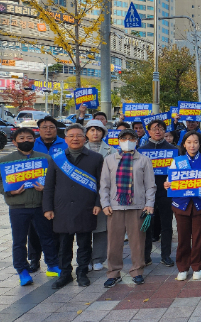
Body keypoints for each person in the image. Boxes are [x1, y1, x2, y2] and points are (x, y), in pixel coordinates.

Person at [43, 124, 103, 289]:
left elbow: (101, 184)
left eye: (78, 135)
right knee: (63, 245)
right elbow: (49, 186)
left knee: (84, 244)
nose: (75, 139)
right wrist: (48, 208)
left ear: (85, 138)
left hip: (86, 207)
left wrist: (98, 203)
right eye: (71, 136)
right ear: (65, 139)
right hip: (62, 209)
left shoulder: (96, 158)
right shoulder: (56, 158)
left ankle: (82, 273)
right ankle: (65, 274)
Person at [0, 127, 60, 286]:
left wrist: (45, 188)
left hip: (41, 206)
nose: (26, 141)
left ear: (34, 140)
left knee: (47, 237)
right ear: (14, 141)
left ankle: (52, 265)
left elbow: (55, 180)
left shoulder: (45, 158)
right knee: (19, 241)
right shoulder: (5, 161)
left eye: (29, 138)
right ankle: (22, 271)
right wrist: (9, 191)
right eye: (21, 138)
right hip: (18, 207)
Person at [99, 129, 157, 287]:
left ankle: (137, 271)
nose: (127, 141)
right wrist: (105, 204)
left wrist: (149, 204)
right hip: (115, 207)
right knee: (114, 243)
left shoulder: (144, 160)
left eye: (131, 138)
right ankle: (113, 273)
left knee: (138, 242)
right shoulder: (110, 160)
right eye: (124, 138)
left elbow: (150, 186)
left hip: (137, 206)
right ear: (118, 141)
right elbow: (104, 185)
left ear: (137, 141)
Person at [165, 131, 201, 281]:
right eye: (189, 142)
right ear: (184, 144)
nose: (192, 145)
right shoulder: (177, 160)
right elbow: (171, 178)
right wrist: (167, 183)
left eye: (195, 142)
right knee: (182, 237)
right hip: (181, 204)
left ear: (200, 144)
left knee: (198, 237)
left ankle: (197, 266)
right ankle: (182, 267)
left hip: (200, 203)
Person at [139, 119, 179, 267]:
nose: (158, 131)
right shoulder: (142, 150)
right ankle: (146, 255)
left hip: (166, 192)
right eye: (154, 128)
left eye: (161, 128)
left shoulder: (173, 150)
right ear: (148, 131)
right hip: (147, 193)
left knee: (167, 225)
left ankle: (166, 255)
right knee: (147, 225)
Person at [84, 120, 115, 272]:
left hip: (104, 193)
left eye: (98, 130)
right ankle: (85, 259)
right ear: (87, 133)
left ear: (103, 132)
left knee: (101, 228)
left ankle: (98, 259)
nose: (95, 133)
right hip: (84, 194)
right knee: (84, 229)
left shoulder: (112, 151)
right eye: (92, 130)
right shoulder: (78, 149)